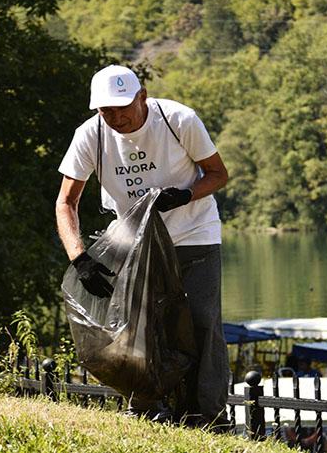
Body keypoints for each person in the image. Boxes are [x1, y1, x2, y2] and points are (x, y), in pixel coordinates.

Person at [55, 64, 230, 428]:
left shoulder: (179, 120)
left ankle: (206, 415)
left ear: (142, 96)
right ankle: (148, 406)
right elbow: (66, 202)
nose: (116, 117)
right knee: (137, 325)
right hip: (134, 241)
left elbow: (218, 174)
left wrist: (185, 194)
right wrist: (79, 258)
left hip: (193, 232)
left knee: (201, 321)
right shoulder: (91, 136)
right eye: (106, 111)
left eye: (123, 107)